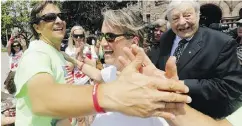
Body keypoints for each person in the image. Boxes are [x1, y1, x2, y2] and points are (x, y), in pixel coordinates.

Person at [14, 1, 191, 125]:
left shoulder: (146, 84)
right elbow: (42, 100)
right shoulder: (37, 53)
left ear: (134, 41)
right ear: (36, 27)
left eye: (110, 37)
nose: (104, 43)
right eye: (50, 17)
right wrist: (109, 96)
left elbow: (98, 75)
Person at [155, 0, 242, 118]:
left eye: (187, 16)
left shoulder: (221, 43)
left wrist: (181, 85)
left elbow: (230, 87)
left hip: (203, 116)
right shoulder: (166, 37)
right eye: (175, 18)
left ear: (198, 15)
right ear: (169, 21)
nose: (182, 22)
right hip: (168, 114)